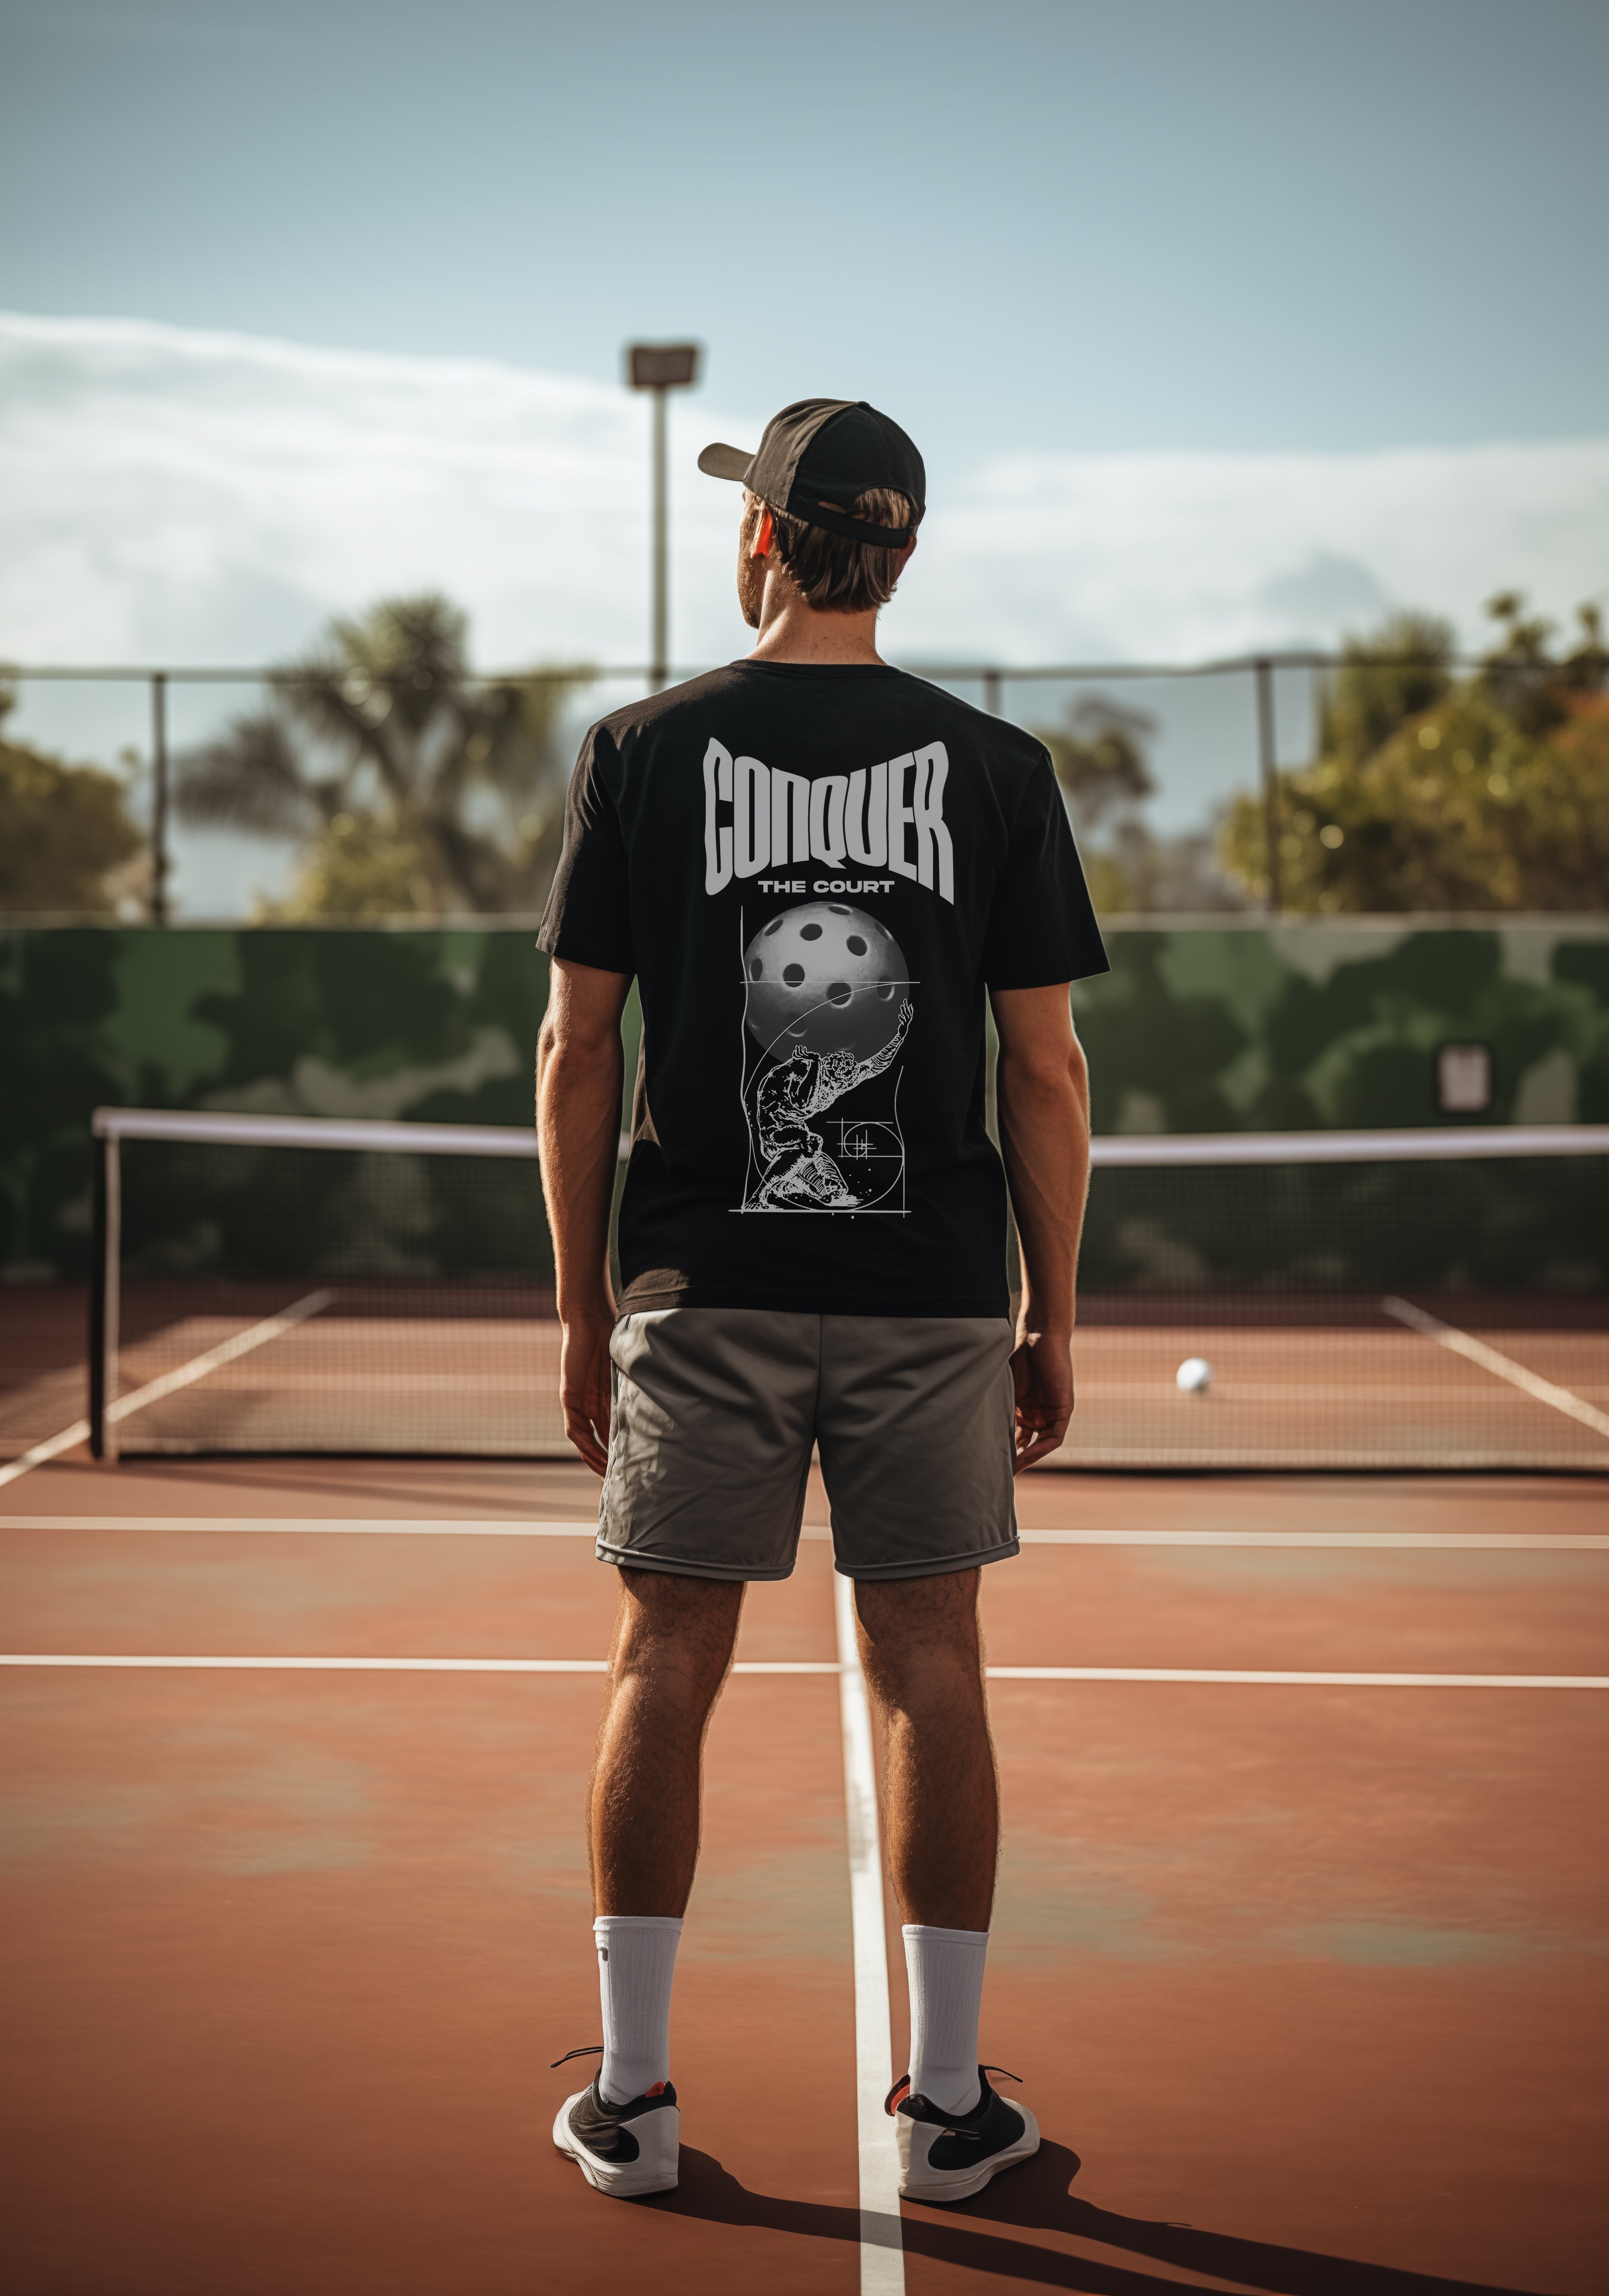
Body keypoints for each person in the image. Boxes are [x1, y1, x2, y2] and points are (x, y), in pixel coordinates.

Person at [536, 397, 1105, 2204]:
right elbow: (1049, 1079)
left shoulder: (640, 750)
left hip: (698, 1296)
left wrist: (578, 1315)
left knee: (663, 1662)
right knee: (931, 1666)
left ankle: (633, 2103)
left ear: (764, 543)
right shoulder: (1000, 771)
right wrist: (1053, 1311)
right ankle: (948, 2111)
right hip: (937, 1299)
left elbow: (573, 1052)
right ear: (906, 552)